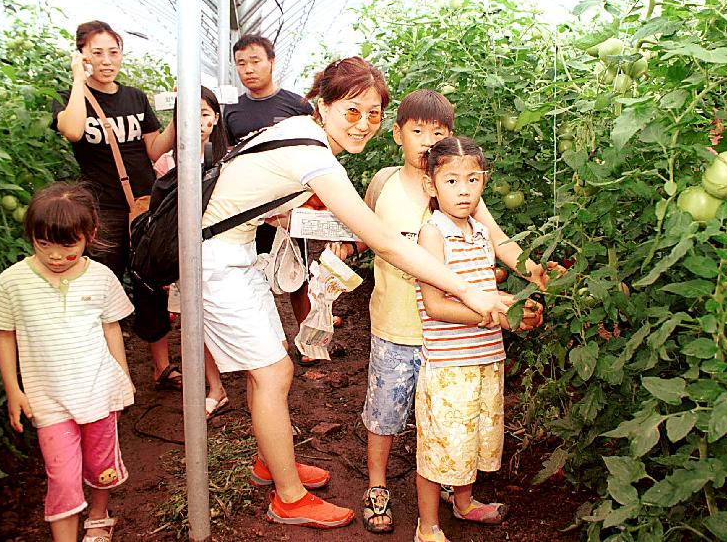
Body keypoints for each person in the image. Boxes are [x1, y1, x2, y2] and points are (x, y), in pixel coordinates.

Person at [198, 56, 508, 530]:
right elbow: (382, 238)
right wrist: (470, 290)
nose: (364, 124)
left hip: (234, 253)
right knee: (275, 373)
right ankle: (288, 497)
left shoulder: (302, 132)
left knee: (272, 368)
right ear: (321, 104)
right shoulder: (313, 153)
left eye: (373, 113)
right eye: (352, 111)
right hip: (216, 259)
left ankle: (272, 462)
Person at [356, 90, 550, 534]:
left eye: (438, 132)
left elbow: (498, 241)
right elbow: (364, 231)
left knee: (451, 421)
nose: (427, 140)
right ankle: (378, 486)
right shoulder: (384, 183)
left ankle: (457, 492)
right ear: (397, 134)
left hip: (454, 339)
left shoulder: (460, 191)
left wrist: (534, 269)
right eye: (417, 131)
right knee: (387, 411)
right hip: (398, 322)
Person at [0, 183, 136, 542]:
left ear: (89, 235)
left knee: (100, 465)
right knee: (62, 475)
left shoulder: (101, 278)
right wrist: (14, 389)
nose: (54, 255)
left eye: (67, 244)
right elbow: (5, 334)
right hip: (48, 399)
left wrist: (123, 377)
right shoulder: (13, 283)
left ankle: (98, 516)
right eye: (43, 243)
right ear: (31, 236)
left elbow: (111, 328)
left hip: (98, 392)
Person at [413, 136, 543, 542]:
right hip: (450, 366)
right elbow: (435, 305)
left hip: (485, 358)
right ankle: (427, 526)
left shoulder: (481, 234)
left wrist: (516, 308)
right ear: (431, 185)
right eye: (452, 181)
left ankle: (464, 503)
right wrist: (496, 318)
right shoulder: (432, 234)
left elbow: (485, 289)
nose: (464, 190)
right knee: (439, 446)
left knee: (469, 438)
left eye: (473, 179)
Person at [51, 20, 180, 392]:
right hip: (102, 208)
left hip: (142, 204)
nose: (107, 61)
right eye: (97, 52)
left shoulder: (136, 98)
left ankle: (161, 366)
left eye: (114, 51)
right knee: (103, 284)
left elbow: (154, 150)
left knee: (150, 281)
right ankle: (103, 370)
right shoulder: (67, 98)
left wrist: (178, 117)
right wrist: (79, 80)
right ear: (82, 55)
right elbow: (74, 131)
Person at [223, 35, 319, 364]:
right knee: (255, 271)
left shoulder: (296, 106)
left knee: (298, 273)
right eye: (241, 63)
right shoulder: (232, 111)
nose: (248, 69)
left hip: (291, 206)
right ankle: (266, 343)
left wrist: (309, 201)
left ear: (271, 62)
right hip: (249, 210)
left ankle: (307, 341)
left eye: (255, 61)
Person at [153, 86, 228, 418]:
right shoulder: (167, 163)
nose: (198, 122)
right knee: (193, 322)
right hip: (184, 254)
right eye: (190, 113)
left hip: (220, 253)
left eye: (205, 114)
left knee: (215, 318)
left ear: (215, 120)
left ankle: (229, 377)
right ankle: (215, 387)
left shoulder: (227, 161)